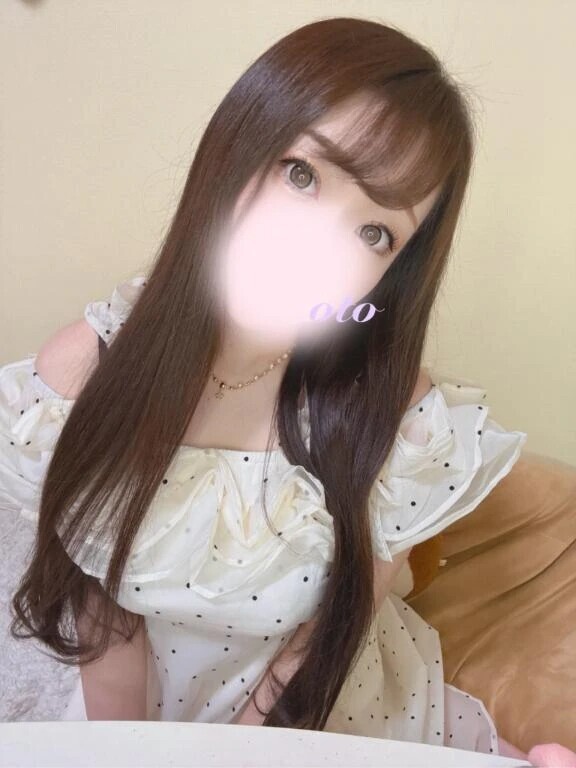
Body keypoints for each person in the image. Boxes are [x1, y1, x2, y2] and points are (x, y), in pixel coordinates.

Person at [2, 15, 569, 765]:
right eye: (302, 174)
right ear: (237, 147)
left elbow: (329, 638)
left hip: (316, 714)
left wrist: (240, 756)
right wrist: (135, 750)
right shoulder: (82, 374)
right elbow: (102, 612)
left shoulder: (398, 418)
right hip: (138, 709)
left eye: (376, 233)